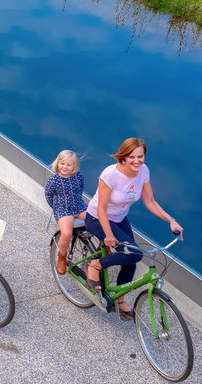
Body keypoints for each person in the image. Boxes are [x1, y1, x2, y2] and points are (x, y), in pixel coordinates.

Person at [84, 137, 182, 320]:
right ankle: (95, 264)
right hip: (98, 219)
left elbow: (150, 201)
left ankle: (120, 301)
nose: (137, 161)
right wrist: (108, 235)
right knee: (135, 254)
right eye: (132, 157)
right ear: (123, 157)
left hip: (119, 219)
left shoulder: (143, 171)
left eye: (140, 156)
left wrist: (170, 220)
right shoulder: (110, 174)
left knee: (131, 260)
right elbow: (101, 208)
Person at [44, 150, 86, 275]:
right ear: (58, 163)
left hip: (79, 207)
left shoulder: (79, 176)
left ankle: (102, 246)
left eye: (69, 165)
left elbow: (81, 188)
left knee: (98, 218)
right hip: (63, 210)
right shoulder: (54, 180)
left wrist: (78, 203)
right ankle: (62, 256)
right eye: (62, 163)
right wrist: (55, 207)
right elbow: (48, 195)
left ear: (74, 166)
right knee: (67, 233)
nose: (65, 167)